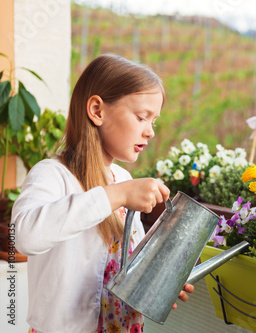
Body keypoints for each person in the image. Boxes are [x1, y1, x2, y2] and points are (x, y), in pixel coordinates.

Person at [12, 53, 194, 333]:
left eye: (154, 122)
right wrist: (117, 195)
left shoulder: (123, 179)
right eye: (142, 117)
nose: (150, 132)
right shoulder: (53, 174)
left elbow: (127, 265)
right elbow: (23, 236)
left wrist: (158, 278)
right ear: (97, 110)